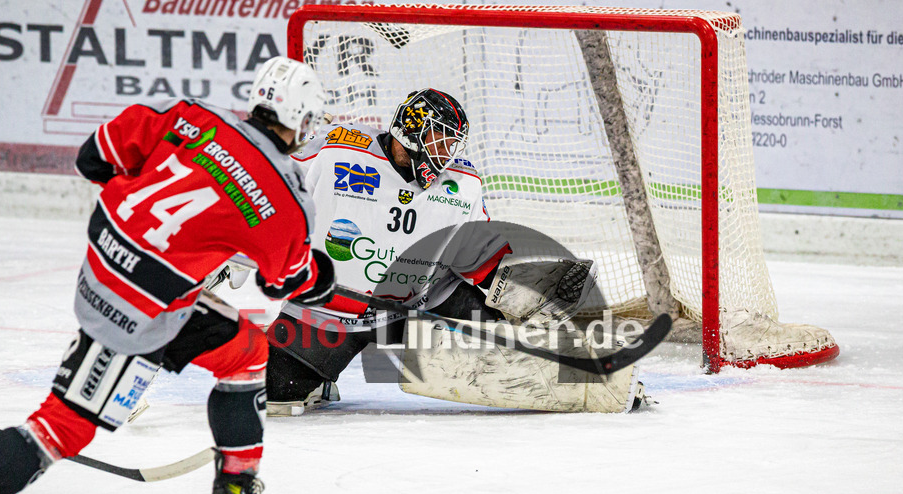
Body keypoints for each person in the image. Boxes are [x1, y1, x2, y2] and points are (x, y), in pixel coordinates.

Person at [0, 56, 335, 494]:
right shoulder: (284, 196)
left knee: (245, 352)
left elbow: (92, 159)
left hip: (102, 267)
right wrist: (321, 273)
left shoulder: (188, 116)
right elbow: (288, 281)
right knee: (64, 423)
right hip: (142, 312)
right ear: (301, 120)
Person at [257, 88, 641, 417]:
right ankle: (317, 377)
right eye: (440, 140)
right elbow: (267, 188)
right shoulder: (335, 151)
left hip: (426, 301)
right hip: (329, 309)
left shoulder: (462, 183)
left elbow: (481, 257)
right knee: (277, 392)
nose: (446, 154)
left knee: (509, 345)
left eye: (452, 144)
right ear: (409, 131)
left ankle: (595, 373)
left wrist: (525, 295)